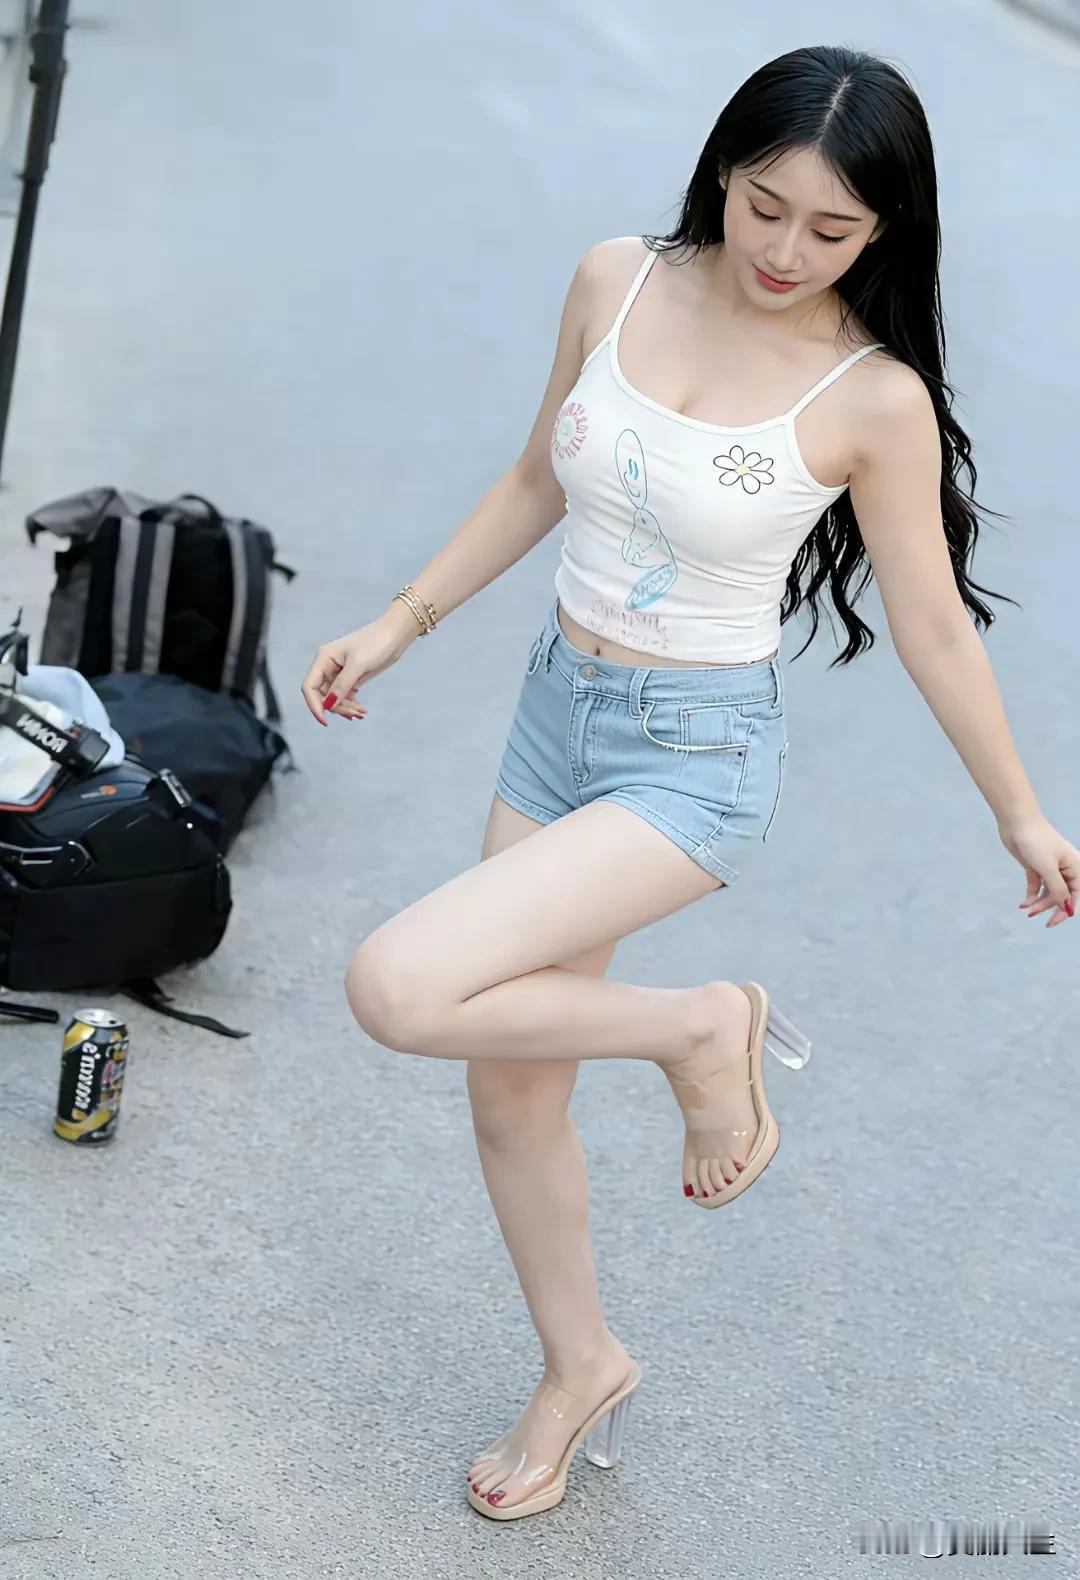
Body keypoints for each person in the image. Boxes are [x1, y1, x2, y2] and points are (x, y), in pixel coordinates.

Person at [300, 43, 1079, 1522]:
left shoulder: (873, 398)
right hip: (557, 716)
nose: (786, 251)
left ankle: (703, 1028)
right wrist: (401, 622)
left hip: (692, 756)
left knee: (399, 986)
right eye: (764, 207)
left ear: (885, 232)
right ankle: (580, 1364)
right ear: (724, 171)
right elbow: (539, 477)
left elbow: (930, 622)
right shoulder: (619, 278)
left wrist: (1021, 812)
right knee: (510, 1095)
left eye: (833, 230)